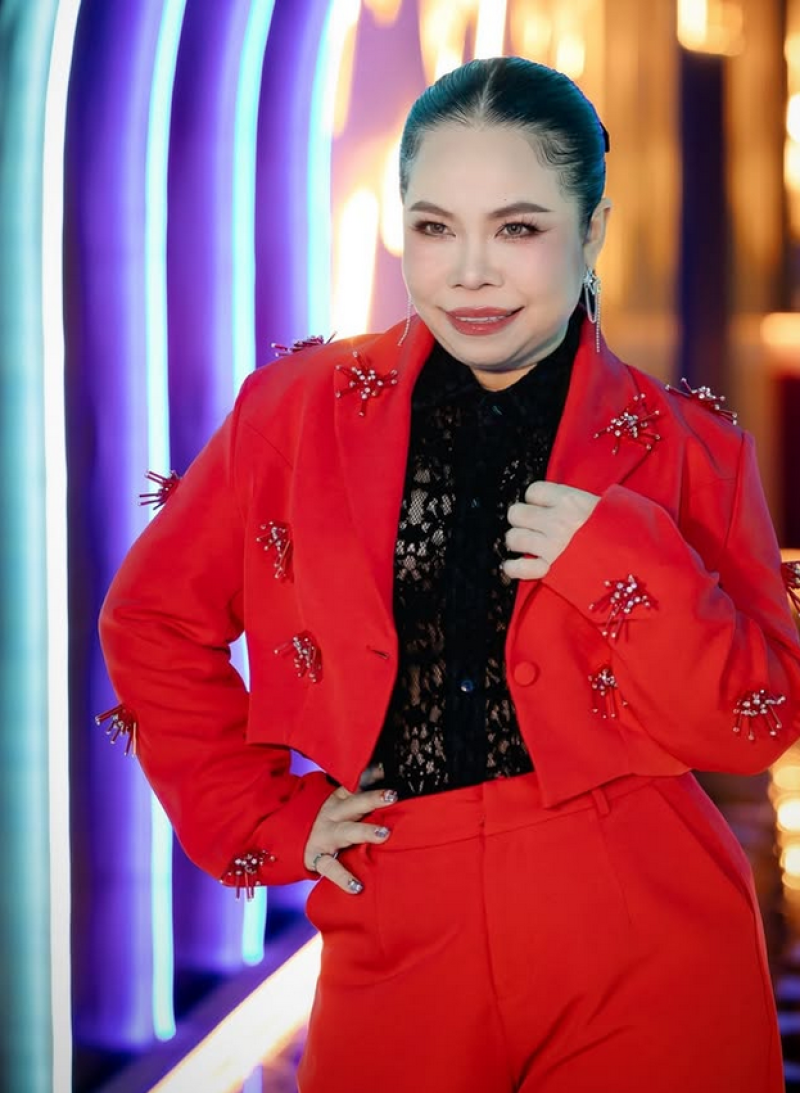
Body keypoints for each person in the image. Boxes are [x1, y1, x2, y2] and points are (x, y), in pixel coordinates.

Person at [98, 56, 800, 1092]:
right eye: (434, 227)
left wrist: (623, 559)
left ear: (592, 231)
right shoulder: (296, 412)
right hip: (394, 919)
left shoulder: (687, 449)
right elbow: (152, 620)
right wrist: (264, 815)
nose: (469, 272)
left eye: (516, 228)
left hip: (644, 930)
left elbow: (753, 721)